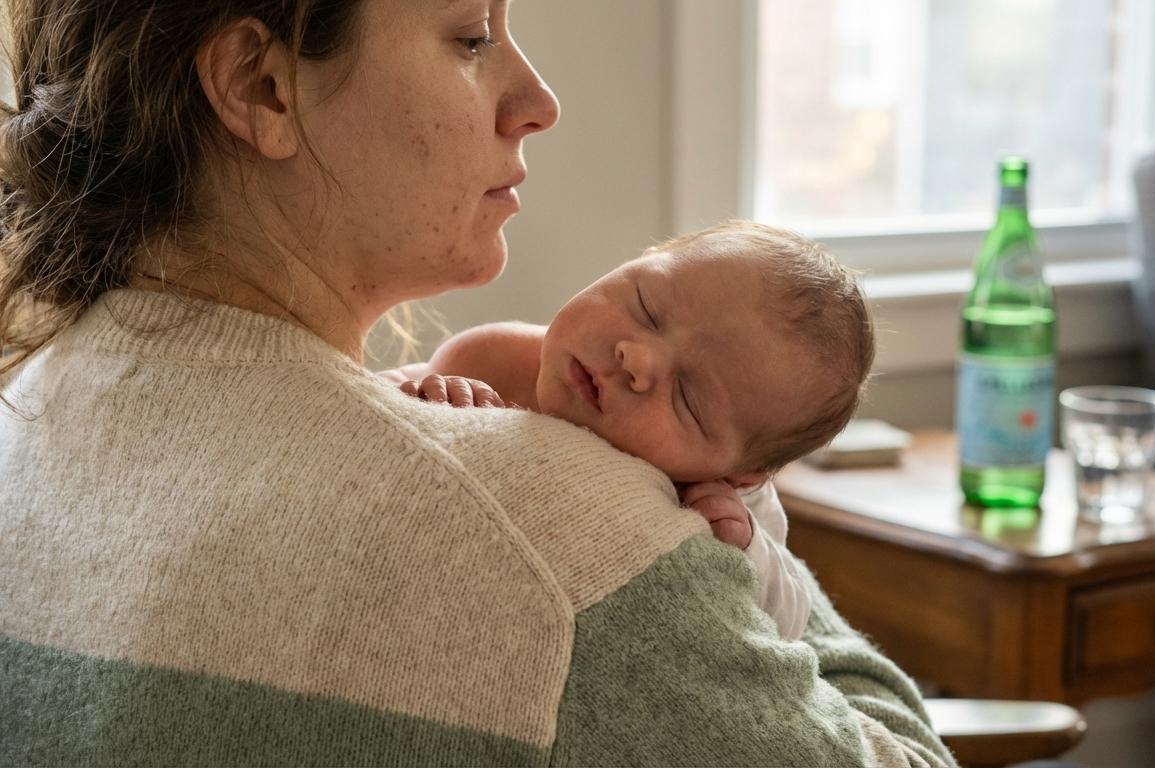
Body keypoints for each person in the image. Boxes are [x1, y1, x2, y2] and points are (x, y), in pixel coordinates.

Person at [0, 1, 957, 765]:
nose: (538, 99)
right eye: (471, 36)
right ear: (262, 86)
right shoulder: (578, 545)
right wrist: (742, 495)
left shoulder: (27, 414)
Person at [386, 220, 869, 642]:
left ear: (742, 473)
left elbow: (787, 623)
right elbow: (359, 411)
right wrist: (424, 395)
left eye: (687, 396)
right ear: (639, 261)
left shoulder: (720, 498)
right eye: (645, 308)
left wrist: (746, 550)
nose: (636, 358)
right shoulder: (493, 358)